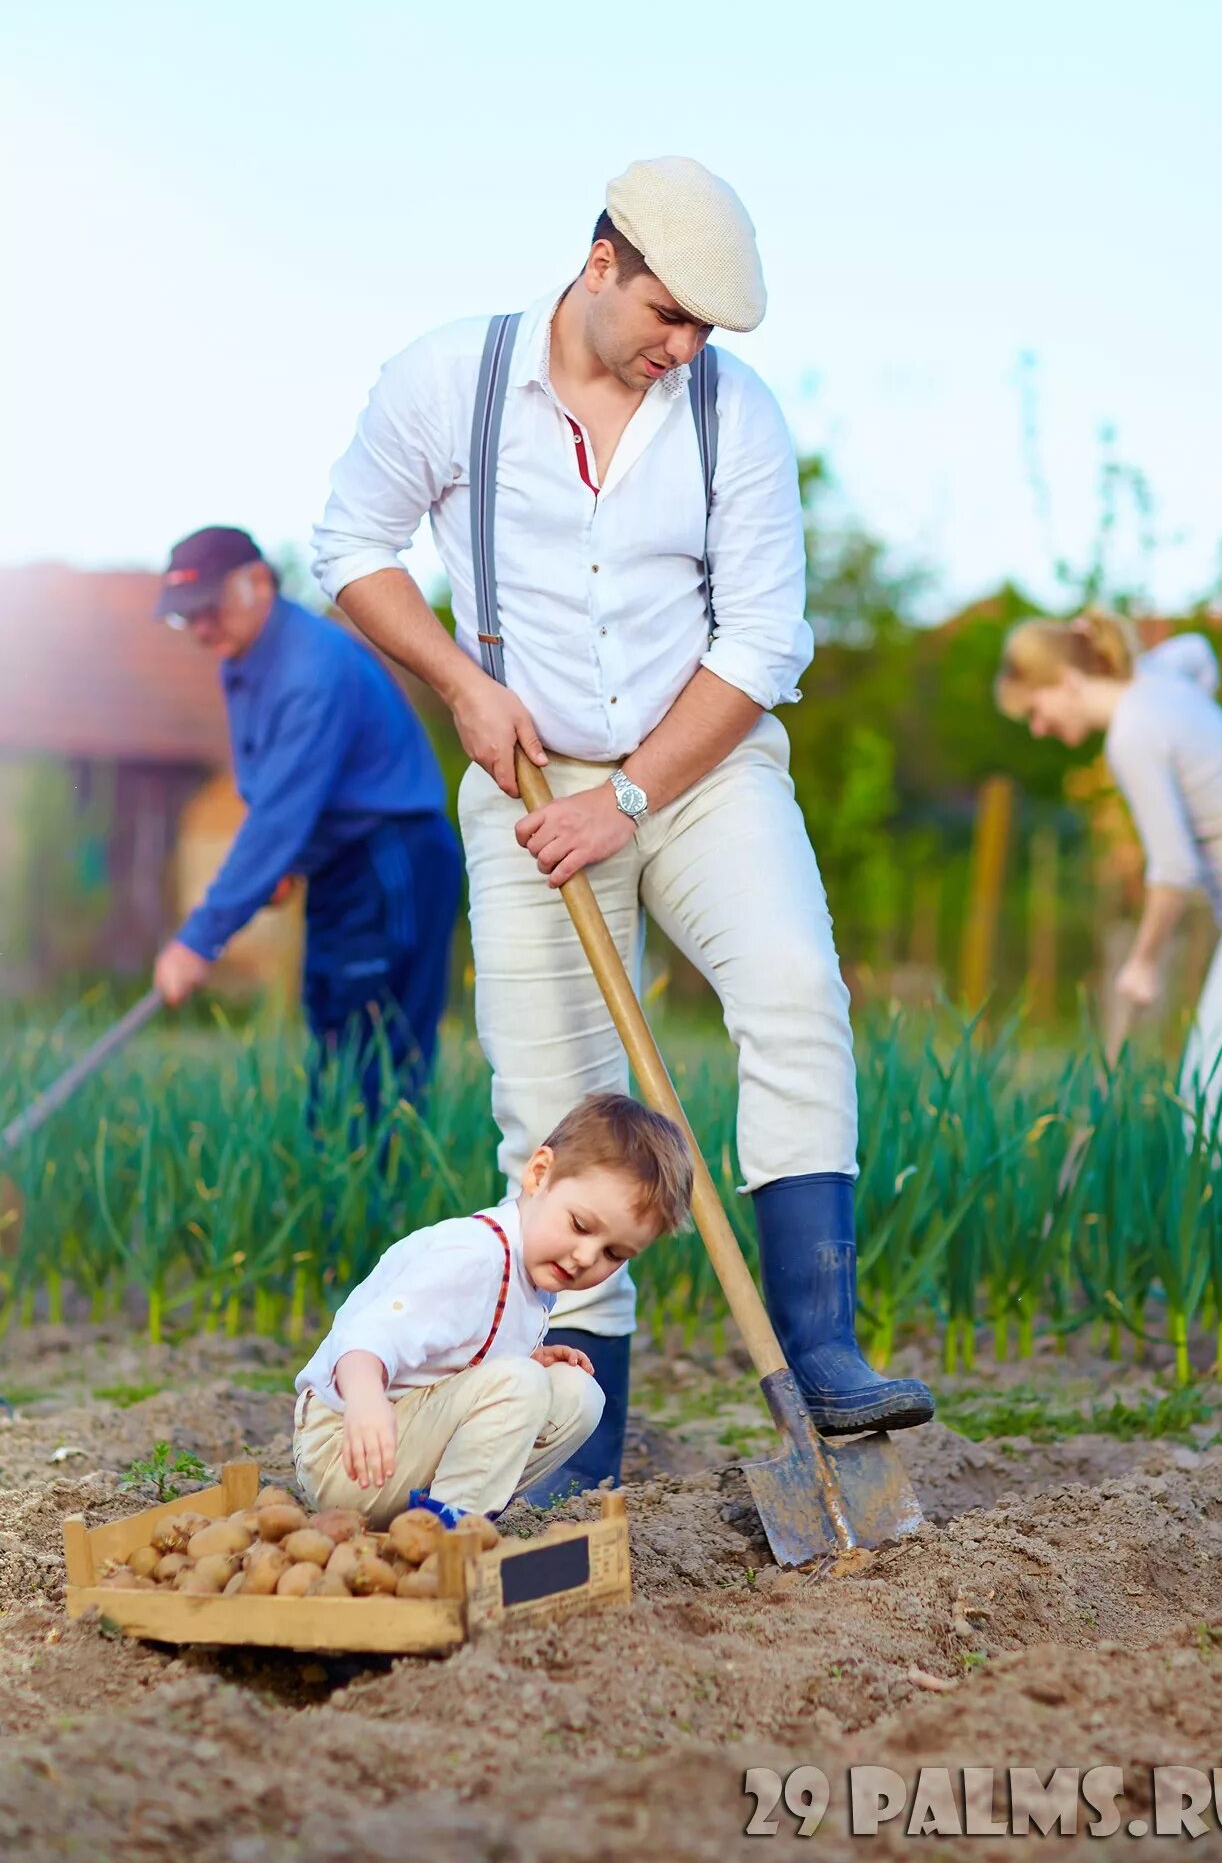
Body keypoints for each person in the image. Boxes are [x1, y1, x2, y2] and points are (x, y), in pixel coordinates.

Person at [311, 155, 936, 1496]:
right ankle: (574, 1436)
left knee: (789, 989)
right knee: (550, 1103)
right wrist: (462, 687)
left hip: (698, 772)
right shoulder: (448, 381)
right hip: (532, 783)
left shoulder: (733, 415)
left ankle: (819, 1349)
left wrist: (633, 796)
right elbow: (349, 547)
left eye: (706, 330)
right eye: (669, 314)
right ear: (602, 264)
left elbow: (765, 638)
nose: (684, 347)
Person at [152, 525, 462, 1126]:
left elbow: (278, 815)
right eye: (185, 617)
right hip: (341, 864)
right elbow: (278, 791)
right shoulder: (241, 660)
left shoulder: (310, 671)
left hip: (391, 859)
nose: (200, 629)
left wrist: (199, 939)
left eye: (208, 608)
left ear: (259, 583)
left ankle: (386, 1210)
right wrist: (287, 865)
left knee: (377, 1051)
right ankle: (334, 1203)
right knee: (332, 1036)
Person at [292, 1093, 692, 1524]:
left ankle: (444, 1516)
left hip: (399, 1448)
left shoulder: (534, 1270)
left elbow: (448, 1359)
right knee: (522, 1382)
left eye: (613, 1253)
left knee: (578, 1394)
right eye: (580, 1225)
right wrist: (366, 1400)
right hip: (346, 1450)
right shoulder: (473, 1256)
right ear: (539, 1175)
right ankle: (448, 1533)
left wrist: (523, 1357)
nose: (584, 1257)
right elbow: (365, 1338)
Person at [996, 611, 1222, 1159]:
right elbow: (1199, 651)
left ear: (1067, 681)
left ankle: (1216, 1237)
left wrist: (1144, 961)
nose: (1039, 727)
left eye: (1036, 711)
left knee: (1209, 1093)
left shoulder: (1132, 734)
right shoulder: (1159, 678)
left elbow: (1173, 868)